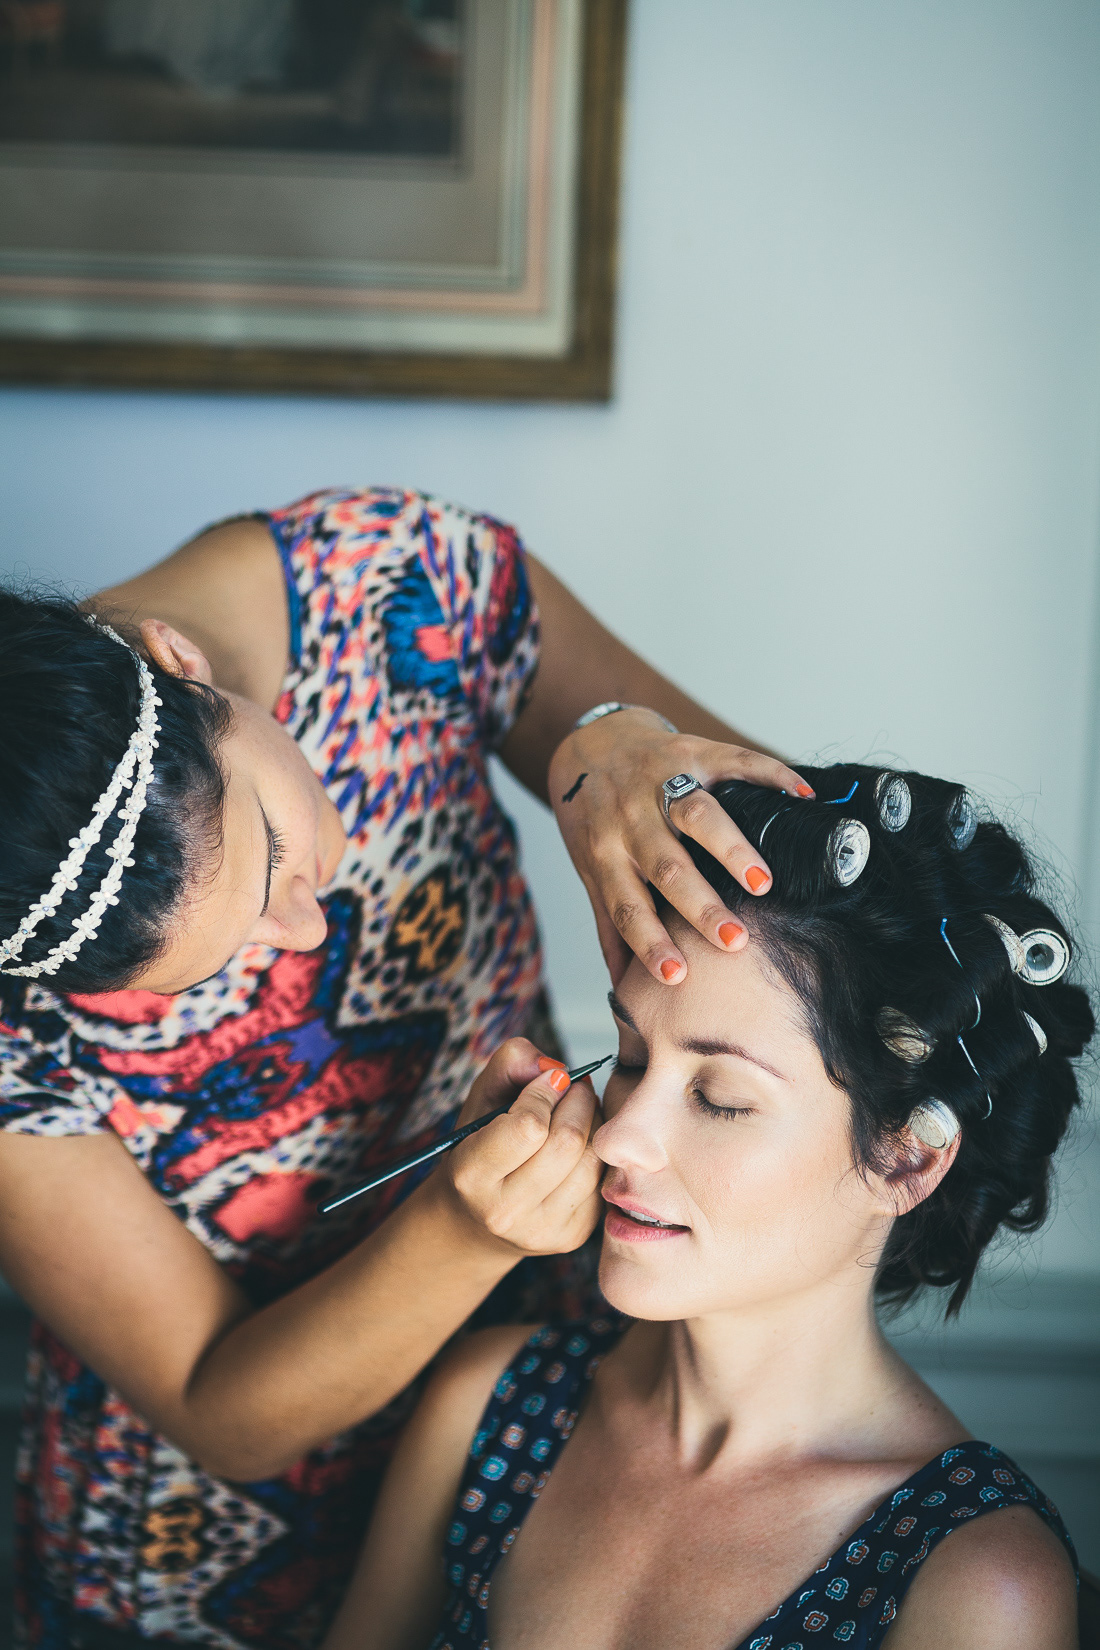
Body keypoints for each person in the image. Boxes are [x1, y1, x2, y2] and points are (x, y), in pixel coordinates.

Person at [0, 486, 809, 1649]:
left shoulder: (391, 581)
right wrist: (462, 1232)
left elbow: (804, 913)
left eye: (277, 853)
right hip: (195, 1565)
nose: (308, 930)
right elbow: (221, 1411)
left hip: (534, 1432)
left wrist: (615, 739)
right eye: (214, 967)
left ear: (178, 664)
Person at [323, 763, 1090, 1650]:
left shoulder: (978, 1581)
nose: (616, 1138)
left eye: (721, 1097)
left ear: (907, 1157)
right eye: (635, 1059)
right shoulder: (487, 1404)